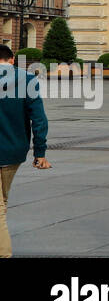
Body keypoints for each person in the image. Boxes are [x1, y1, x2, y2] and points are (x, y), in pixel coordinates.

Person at [0, 44, 51, 258]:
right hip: (13, 151)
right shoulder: (27, 80)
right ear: (12, 59)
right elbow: (38, 118)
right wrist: (40, 152)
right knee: (2, 201)